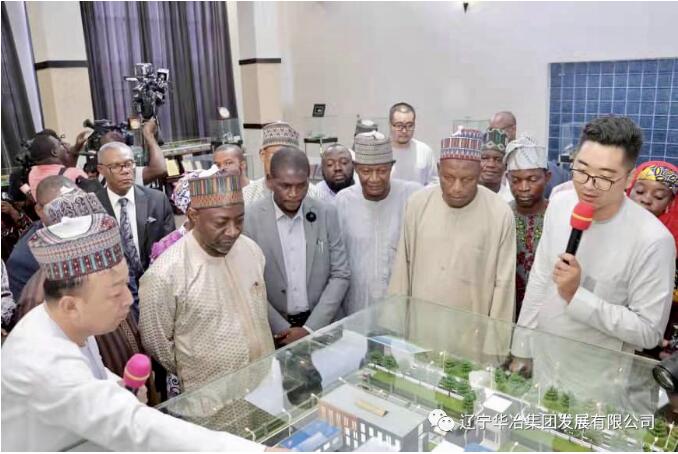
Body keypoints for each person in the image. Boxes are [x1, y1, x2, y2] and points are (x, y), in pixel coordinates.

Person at [1, 213, 269, 451]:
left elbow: (91, 376)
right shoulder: (45, 362)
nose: (128, 300)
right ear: (71, 306)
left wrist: (117, 389)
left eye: (124, 285)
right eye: (114, 293)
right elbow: (135, 427)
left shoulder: (66, 322)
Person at [513, 117, 675, 404]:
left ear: (629, 179)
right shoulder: (560, 205)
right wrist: (522, 349)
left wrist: (576, 295)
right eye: (582, 170)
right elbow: (539, 279)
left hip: (596, 383)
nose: (589, 185)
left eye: (605, 177)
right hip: (544, 362)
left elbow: (648, 332)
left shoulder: (653, 240)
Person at [140, 171, 274, 396]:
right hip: (210, 397)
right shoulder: (166, 273)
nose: (233, 231)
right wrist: (199, 368)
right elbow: (156, 342)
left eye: (239, 220)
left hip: (263, 384)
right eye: (221, 223)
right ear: (193, 216)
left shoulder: (251, 250)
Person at [389, 128, 516, 322]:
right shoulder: (418, 204)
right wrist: (394, 329)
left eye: (467, 179)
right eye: (448, 178)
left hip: (472, 332)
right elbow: (401, 273)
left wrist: (496, 339)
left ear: (479, 173)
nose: (457, 188)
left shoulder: (500, 213)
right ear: (439, 170)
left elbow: (504, 287)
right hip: (421, 328)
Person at [243, 147, 350, 346]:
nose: (293, 194)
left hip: (323, 326)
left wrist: (310, 329)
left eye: (301, 186)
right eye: (285, 186)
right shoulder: (249, 219)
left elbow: (340, 274)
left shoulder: (326, 213)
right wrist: (282, 329)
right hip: (274, 333)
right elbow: (249, 284)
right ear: (270, 181)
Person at [335, 131, 421, 316]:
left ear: (391, 167)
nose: (374, 179)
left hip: (400, 307)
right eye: (366, 171)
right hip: (356, 307)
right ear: (356, 168)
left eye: (382, 171)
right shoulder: (343, 201)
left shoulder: (411, 195)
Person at [94, 142, 175, 286]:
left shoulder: (157, 200)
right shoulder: (93, 207)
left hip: (157, 284)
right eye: (116, 166)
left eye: (129, 164)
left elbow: (171, 248)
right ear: (101, 170)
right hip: (115, 289)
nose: (125, 171)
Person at [627, 161, 678, 359]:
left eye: (658, 196)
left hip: (662, 334)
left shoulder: (671, 239)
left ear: (671, 202)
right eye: (639, 191)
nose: (646, 200)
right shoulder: (612, 226)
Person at [6, 176, 79, 302]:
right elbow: (25, 308)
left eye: (76, 202)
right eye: (58, 206)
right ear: (39, 210)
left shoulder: (94, 227)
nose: (70, 211)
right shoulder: (24, 259)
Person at [504, 136, 551, 317]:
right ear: (507, 179)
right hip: (508, 310)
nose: (524, 187)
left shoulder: (558, 216)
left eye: (532, 179)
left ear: (547, 177)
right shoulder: (501, 216)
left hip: (547, 314)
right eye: (516, 180)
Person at [243, 121, 319, 204]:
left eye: (287, 157)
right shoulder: (247, 195)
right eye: (276, 155)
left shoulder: (313, 194)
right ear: (262, 155)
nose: (281, 162)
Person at [389, 102, 438, 186]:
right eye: (399, 125)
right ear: (390, 125)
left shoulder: (424, 151)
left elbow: (433, 183)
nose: (404, 131)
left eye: (409, 125)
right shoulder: (381, 152)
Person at [479, 128, 513, 202]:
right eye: (484, 158)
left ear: (506, 165)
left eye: (498, 160)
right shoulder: (464, 197)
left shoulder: (511, 200)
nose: (491, 164)